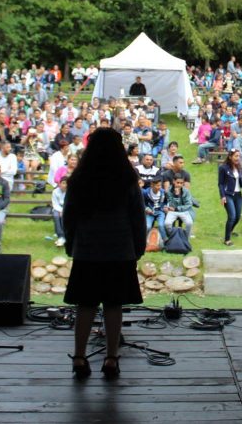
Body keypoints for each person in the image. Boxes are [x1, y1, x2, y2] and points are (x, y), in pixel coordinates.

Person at [63, 128, 146, 380]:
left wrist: (71, 244)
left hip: (87, 249)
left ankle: (79, 356)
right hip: (119, 249)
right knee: (113, 304)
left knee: (85, 304)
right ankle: (111, 357)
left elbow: (69, 216)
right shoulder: (126, 178)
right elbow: (137, 217)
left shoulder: (80, 179)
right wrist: (138, 246)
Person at [219, 150, 242, 246]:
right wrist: (222, 196)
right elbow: (220, 184)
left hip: (238, 195)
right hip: (228, 195)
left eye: (239, 156)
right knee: (232, 216)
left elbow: (241, 181)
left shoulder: (238, 167)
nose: (238, 158)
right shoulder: (223, 168)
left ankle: (230, 231)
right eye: (236, 156)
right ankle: (227, 239)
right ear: (230, 157)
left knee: (238, 217)